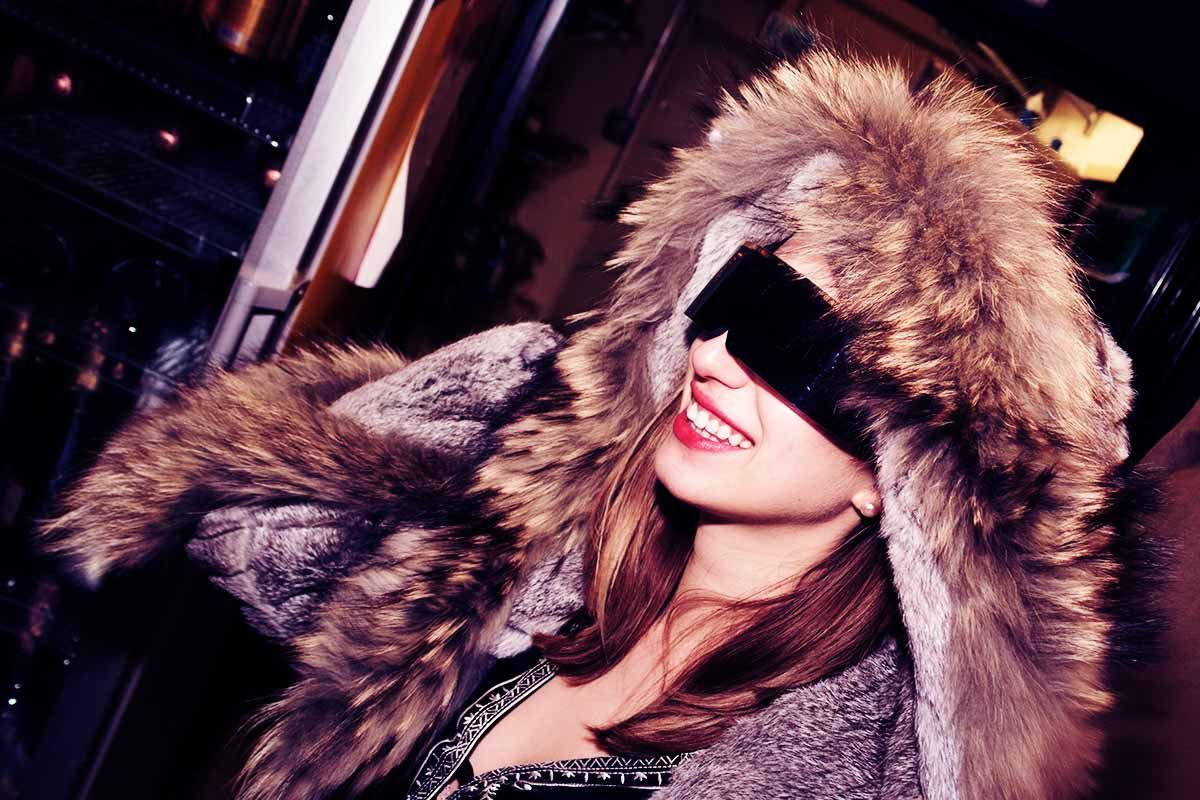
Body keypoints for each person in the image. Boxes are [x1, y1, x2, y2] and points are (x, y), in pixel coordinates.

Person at [35, 45, 1171, 800]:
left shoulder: (849, 770)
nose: (716, 355)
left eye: (799, 345)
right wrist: (526, 417)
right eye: (736, 295)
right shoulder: (563, 565)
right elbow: (252, 519)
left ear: (905, 480)